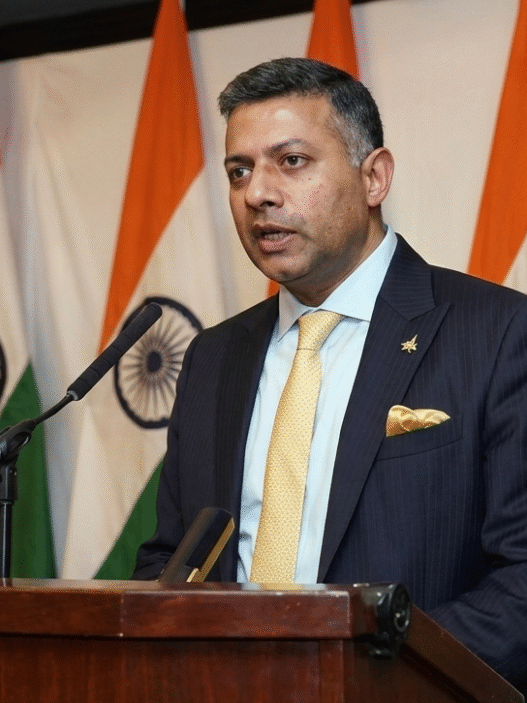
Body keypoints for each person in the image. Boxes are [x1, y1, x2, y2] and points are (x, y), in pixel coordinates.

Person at [133, 58, 527, 692]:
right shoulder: (213, 358)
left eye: (291, 161)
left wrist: (353, 680)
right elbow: (172, 560)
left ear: (374, 177)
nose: (257, 194)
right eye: (239, 171)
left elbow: (520, 582)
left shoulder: (498, 333)